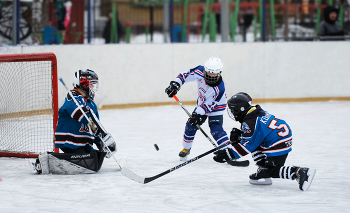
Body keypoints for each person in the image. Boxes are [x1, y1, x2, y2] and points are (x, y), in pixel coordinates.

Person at [213, 92, 316, 191]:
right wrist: (241, 134)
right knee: (256, 147)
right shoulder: (255, 112)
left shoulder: (250, 122)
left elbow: (247, 146)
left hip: (277, 143)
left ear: (240, 109)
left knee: (273, 171)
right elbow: (256, 135)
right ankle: (263, 169)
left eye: (233, 110)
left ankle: (299, 172)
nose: (233, 113)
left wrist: (227, 154)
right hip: (279, 139)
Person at [32, 69, 116, 175]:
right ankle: (45, 161)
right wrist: (89, 119)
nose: (93, 88)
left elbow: (95, 127)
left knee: (96, 160)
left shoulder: (92, 104)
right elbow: (81, 115)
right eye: (91, 84)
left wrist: (102, 141)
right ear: (83, 84)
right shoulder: (72, 97)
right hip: (70, 142)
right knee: (89, 162)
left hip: (83, 143)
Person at [165, 57, 230, 160]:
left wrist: (198, 114)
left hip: (216, 107)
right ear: (205, 70)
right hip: (201, 104)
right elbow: (184, 75)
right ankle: (186, 148)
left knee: (216, 129)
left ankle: (228, 151)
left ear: (219, 73)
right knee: (190, 126)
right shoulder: (199, 71)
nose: (211, 76)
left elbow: (209, 105)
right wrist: (176, 84)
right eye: (209, 73)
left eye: (214, 74)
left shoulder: (220, 88)